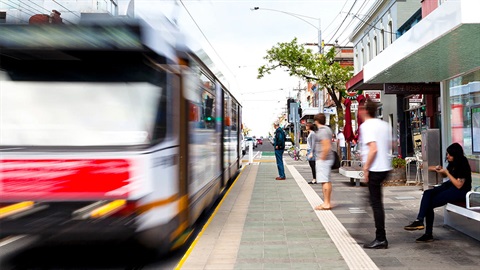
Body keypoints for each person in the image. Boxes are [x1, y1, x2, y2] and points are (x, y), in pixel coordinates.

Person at [404, 142, 472, 242]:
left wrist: (447, 173)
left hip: (461, 192)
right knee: (427, 193)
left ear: (455, 155)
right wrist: (440, 171)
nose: (447, 156)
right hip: (450, 186)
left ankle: (427, 232)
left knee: (428, 204)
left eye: (449, 154)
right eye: (447, 154)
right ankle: (419, 220)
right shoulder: (453, 163)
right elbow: (445, 176)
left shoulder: (462, 164)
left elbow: (459, 185)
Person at [359, 99, 392, 249]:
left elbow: (373, 148)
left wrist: (366, 168)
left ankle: (381, 238)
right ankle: (375, 233)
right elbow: (392, 144)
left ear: (365, 111)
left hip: (375, 169)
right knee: (375, 201)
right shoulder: (385, 125)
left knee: (376, 204)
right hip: (385, 167)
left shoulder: (366, 126)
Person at [313, 113, 334, 210]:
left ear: (316, 121)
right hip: (326, 159)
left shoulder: (322, 131)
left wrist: (322, 158)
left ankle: (326, 203)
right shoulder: (327, 129)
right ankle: (326, 202)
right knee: (326, 181)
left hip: (324, 159)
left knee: (325, 181)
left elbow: (326, 145)